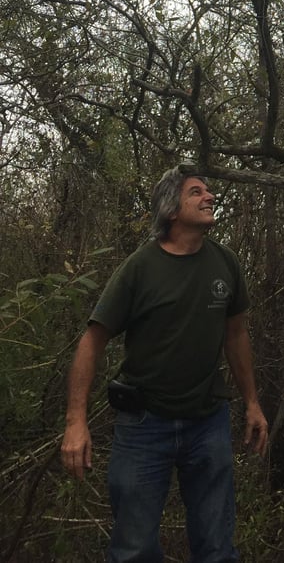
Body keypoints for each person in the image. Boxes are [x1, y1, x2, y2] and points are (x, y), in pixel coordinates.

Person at [60, 165, 269, 563]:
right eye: (196, 192)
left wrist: (253, 403)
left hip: (208, 422)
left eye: (208, 191)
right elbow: (92, 340)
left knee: (217, 548)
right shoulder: (140, 268)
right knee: (133, 550)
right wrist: (75, 420)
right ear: (172, 210)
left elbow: (236, 335)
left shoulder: (225, 262)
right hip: (143, 426)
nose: (209, 197)